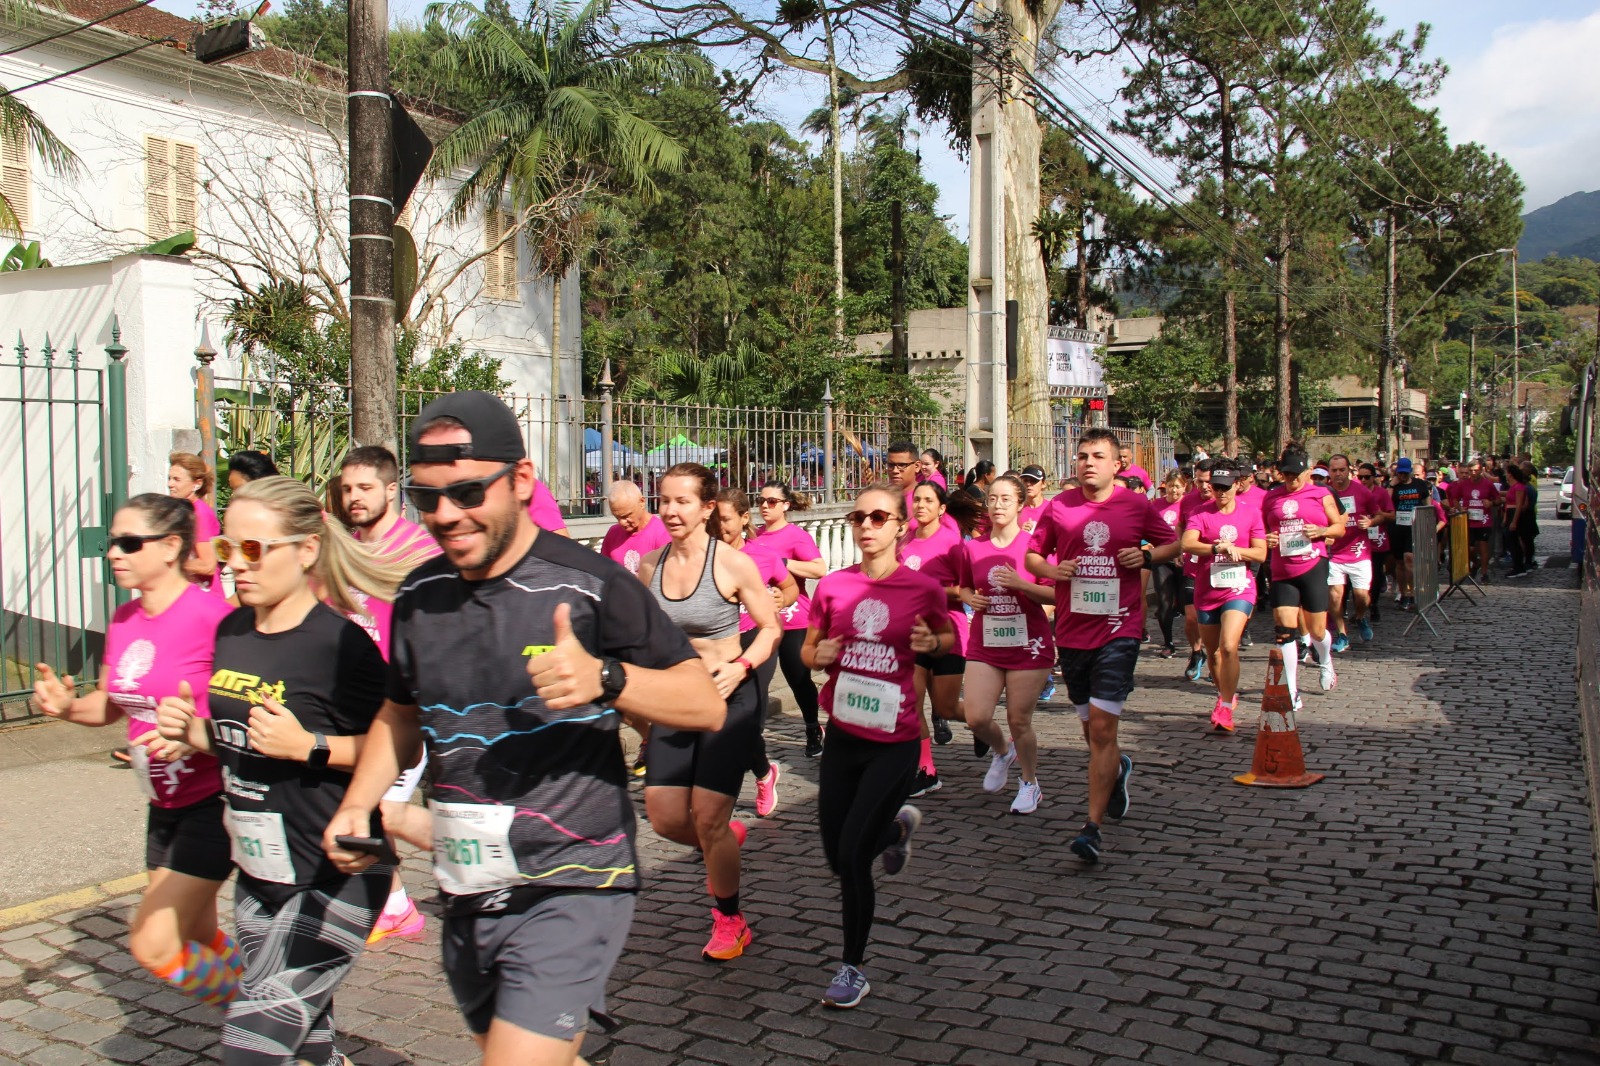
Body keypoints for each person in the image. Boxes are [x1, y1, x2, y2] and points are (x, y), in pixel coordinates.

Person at [323, 392, 724, 1066]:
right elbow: (399, 713)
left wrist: (607, 679)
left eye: (468, 491)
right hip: (467, 886)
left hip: (571, 883)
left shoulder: (590, 586)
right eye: (428, 498)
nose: (446, 515)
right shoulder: (420, 596)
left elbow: (702, 703)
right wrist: (358, 804)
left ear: (521, 481)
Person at [155, 475, 407, 1066]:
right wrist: (188, 732)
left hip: (334, 875)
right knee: (310, 1045)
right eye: (226, 548)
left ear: (306, 550)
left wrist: (309, 746)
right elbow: (240, 739)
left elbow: (402, 747)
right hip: (259, 876)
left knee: (254, 1046)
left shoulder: (339, 645)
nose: (235, 565)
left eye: (252, 549)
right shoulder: (232, 630)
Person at [31, 494, 238, 1004]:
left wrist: (190, 732)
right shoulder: (124, 619)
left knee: (155, 944)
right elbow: (110, 704)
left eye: (128, 542)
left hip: (214, 806)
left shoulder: (213, 617)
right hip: (162, 808)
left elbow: (243, 710)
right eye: (111, 543)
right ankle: (276, 1014)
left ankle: (279, 1026)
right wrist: (65, 707)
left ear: (171, 547)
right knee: (199, 939)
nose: (114, 554)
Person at [803, 485, 955, 1008]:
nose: (867, 526)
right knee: (833, 854)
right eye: (858, 517)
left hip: (895, 741)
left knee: (850, 859)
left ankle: (852, 968)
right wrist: (817, 654)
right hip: (844, 735)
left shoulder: (922, 588)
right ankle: (895, 828)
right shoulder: (833, 587)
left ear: (899, 526)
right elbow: (808, 651)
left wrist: (932, 645)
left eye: (879, 517)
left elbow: (948, 639)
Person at [637, 464, 782, 961]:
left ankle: (730, 920)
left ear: (706, 508)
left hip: (728, 696)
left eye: (682, 501)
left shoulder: (732, 564)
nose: (671, 510)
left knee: (708, 816)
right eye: (664, 500)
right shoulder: (650, 565)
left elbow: (769, 629)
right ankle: (722, 840)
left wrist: (742, 665)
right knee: (663, 817)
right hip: (677, 696)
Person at [1026, 428, 1179, 864]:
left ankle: (1091, 828)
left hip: (1119, 627)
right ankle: (1118, 768)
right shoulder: (1059, 506)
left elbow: (1174, 542)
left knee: (1103, 728)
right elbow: (1033, 557)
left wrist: (1147, 557)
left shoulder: (1136, 505)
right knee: (1092, 732)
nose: (1088, 462)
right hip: (1073, 632)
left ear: (1117, 465)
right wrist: (1054, 572)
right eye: (1082, 456)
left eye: (1098, 456)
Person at [336, 445, 444, 944]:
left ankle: (499, 865)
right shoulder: (347, 547)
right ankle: (396, 903)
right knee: (372, 808)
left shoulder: (419, 551)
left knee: (381, 808)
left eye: (363, 488)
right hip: (362, 705)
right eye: (346, 489)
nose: (353, 498)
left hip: (413, 707)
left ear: (389, 489)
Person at [957, 474, 1056, 813]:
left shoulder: (1033, 547)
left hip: (1029, 642)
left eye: (1005, 499)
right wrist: (973, 598)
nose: (997, 505)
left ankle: (1029, 783)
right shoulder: (973, 546)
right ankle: (1003, 751)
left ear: (1020, 505)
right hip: (986, 640)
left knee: (1019, 719)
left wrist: (1022, 585)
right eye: (992, 499)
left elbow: (1058, 592)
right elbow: (964, 587)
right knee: (976, 717)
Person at [716, 487, 798, 817]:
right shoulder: (706, 556)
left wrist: (781, 599)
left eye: (725, 520)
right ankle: (763, 770)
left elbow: (789, 587)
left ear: (743, 518)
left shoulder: (762, 555)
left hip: (756, 642)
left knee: (746, 722)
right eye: (714, 520)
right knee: (719, 721)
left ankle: (744, 786)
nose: (719, 527)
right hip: (719, 645)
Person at [1181, 463, 1266, 731]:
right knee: (1214, 653)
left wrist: (1238, 550)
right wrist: (1215, 547)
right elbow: (1187, 543)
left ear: (1236, 485)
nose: (1219, 492)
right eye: (1215, 487)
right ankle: (1225, 695)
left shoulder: (1251, 513)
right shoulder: (1200, 513)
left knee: (1229, 646)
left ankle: (1226, 706)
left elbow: (1261, 553)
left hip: (1239, 587)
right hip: (1207, 589)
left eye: (1224, 487)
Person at [1262, 445, 1345, 707]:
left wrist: (1321, 531)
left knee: (1317, 630)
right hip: (1282, 570)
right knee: (1284, 631)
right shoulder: (1271, 497)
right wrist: (1268, 538)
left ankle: (1326, 660)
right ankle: (1291, 690)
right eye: (1286, 474)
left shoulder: (1321, 494)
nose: (1292, 479)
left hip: (1312, 566)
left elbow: (1339, 527)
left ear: (1308, 471)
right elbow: (1262, 530)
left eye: (1296, 474)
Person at [900, 481, 968, 793]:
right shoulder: (905, 542)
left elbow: (968, 591)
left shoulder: (952, 543)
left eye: (929, 500)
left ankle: (981, 724)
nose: (921, 505)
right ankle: (926, 769)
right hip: (914, 632)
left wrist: (931, 591)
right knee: (911, 702)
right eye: (917, 500)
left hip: (948, 630)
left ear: (942, 508)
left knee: (947, 707)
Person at [752, 480, 829, 757]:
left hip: (795, 617)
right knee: (757, 679)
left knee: (797, 677)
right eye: (761, 500)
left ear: (786, 505)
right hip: (760, 618)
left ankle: (812, 727)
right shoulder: (753, 535)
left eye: (771, 501)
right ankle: (752, 738)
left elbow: (819, 569)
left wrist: (783, 564)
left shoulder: (794, 535)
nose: (764, 506)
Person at [1325, 454, 1387, 648]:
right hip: (1333, 553)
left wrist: (1370, 522)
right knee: (1335, 596)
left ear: (1349, 470)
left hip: (1358, 552)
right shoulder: (1324, 493)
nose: (1338, 474)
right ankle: (1342, 634)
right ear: (1329, 472)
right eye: (1334, 470)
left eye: (1342, 470)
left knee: (1361, 597)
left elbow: (1379, 516)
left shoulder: (1362, 492)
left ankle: (1360, 617)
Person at [168, 452, 225, 599]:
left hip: (205, 597)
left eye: (177, 479)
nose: (170, 484)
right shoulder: (183, 510)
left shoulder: (199, 514)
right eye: (169, 478)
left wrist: (168, 564)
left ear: (197, 484)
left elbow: (207, 565)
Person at [1150, 471, 1188, 657]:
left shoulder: (1187, 505)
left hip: (1184, 558)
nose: (1174, 490)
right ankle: (1168, 642)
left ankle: (1195, 641)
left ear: (1185, 487)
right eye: (1171, 486)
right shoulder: (1157, 505)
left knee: (1183, 603)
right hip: (1163, 558)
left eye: (1178, 486)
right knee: (1164, 601)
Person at [1447, 458, 1501, 582]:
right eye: (1471, 471)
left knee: (1483, 547)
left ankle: (1484, 573)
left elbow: (1498, 499)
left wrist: (1491, 503)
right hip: (1468, 521)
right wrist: (1460, 508)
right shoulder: (1463, 484)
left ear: (1481, 470)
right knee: (1470, 549)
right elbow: (1455, 499)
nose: (1473, 473)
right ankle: (1476, 563)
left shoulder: (1487, 484)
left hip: (1484, 520)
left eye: (1476, 470)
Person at [600, 480, 671, 576]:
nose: (622, 522)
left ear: (642, 502)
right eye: (617, 517)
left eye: (627, 515)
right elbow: (603, 572)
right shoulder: (613, 533)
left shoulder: (663, 534)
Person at [1388, 457, 1428, 610]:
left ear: (1410, 471)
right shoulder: (1394, 486)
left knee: (1409, 558)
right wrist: (1391, 484)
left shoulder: (1419, 484)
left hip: (1414, 526)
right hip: (1397, 527)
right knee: (1399, 562)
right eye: (1400, 473)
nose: (1403, 476)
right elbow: (1386, 500)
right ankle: (1403, 592)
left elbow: (1427, 504)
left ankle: (1412, 592)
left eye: (1405, 473)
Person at [1505, 463, 1539, 577]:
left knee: (1518, 541)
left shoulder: (1521, 487)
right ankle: (1520, 564)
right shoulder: (1517, 487)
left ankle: (1521, 565)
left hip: (1519, 515)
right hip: (1514, 514)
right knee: (1514, 541)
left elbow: (1521, 504)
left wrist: (1514, 520)